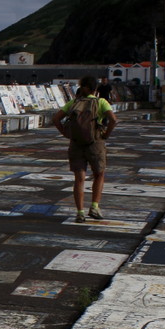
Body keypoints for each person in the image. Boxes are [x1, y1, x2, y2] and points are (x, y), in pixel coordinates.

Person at [54, 76, 117, 222]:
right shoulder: (101, 102)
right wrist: (106, 134)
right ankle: (94, 206)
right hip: (95, 142)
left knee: (79, 178)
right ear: (95, 89)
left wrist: (65, 133)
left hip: (76, 143)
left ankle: (80, 212)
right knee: (99, 174)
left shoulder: (74, 102)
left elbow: (56, 119)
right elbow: (113, 120)